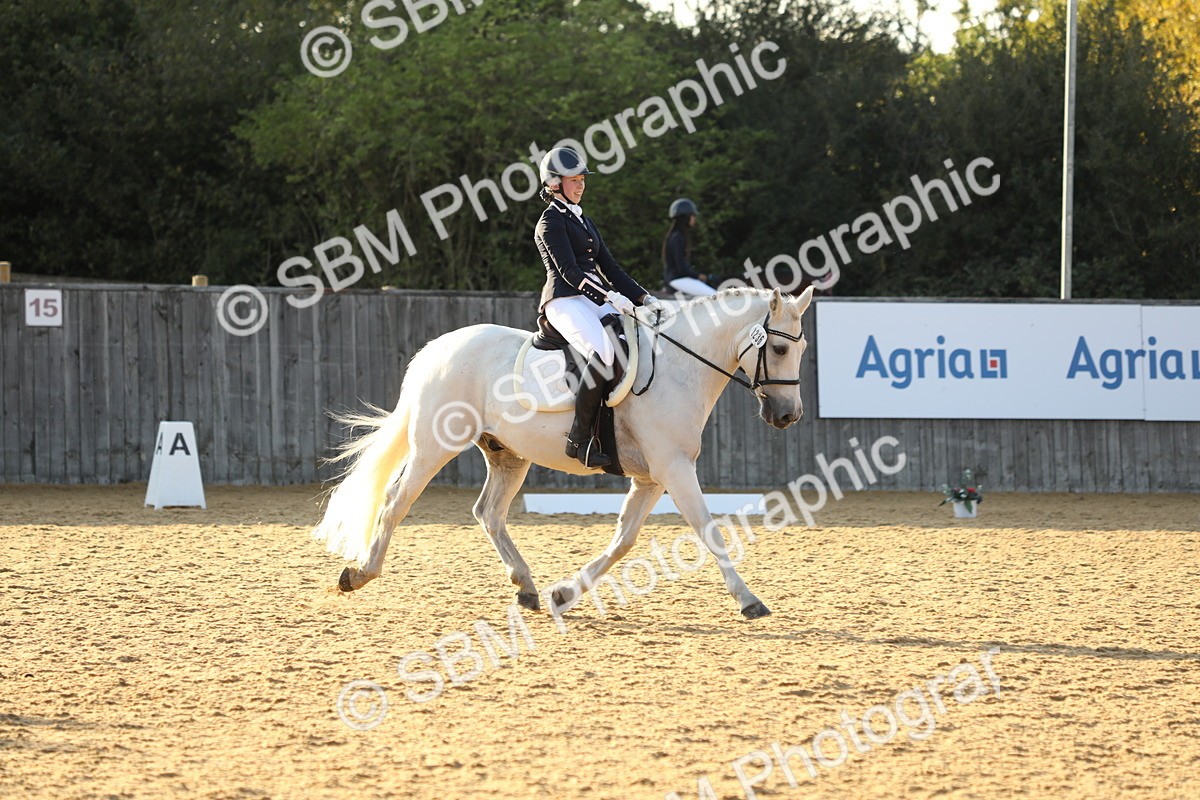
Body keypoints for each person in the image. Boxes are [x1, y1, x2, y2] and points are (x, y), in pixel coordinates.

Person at [533, 147, 664, 468]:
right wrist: (609, 297)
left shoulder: (585, 222)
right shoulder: (549, 222)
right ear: (554, 183)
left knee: (634, 338)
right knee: (605, 351)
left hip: (592, 298)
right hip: (563, 300)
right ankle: (578, 439)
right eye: (573, 180)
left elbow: (613, 269)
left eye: (582, 180)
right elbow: (570, 273)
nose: (580, 186)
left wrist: (644, 298)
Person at [662, 198, 717, 298]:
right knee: (715, 296)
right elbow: (682, 267)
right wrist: (698, 276)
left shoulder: (677, 235)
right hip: (677, 279)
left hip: (679, 278)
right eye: (692, 216)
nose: (694, 219)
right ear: (685, 217)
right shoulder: (677, 237)